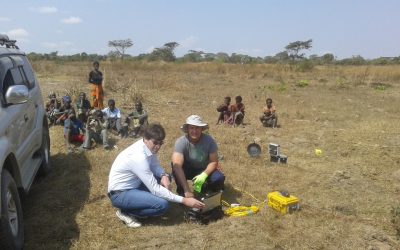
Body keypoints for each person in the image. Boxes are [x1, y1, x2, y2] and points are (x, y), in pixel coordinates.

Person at [108, 123, 205, 228]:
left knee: (166, 177)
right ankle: (126, 212)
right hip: (120, 194)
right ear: (145, 139)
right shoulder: (138, 157)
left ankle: (136, 204)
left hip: (135, 185)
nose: (158, 146)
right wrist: (184, 200)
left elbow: (154, 166)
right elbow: (154, 189)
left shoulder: (147, 147)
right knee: (162, 205)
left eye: (160, 143)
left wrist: (163, 175)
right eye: (155, 143)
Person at [172, 115, 225, 198]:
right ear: (187, 129)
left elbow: (214, 161)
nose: (194, 131)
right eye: (192, 128)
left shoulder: (209, 141)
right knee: (175, 166)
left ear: (201, 129)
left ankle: (209, 191)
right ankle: (182, 192)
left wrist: (204, 175)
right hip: (188, 169)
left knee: (218, 178)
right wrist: (187, 189)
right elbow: (177, 166)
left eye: (197, 128)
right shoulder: (181, 142)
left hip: (204, 168)